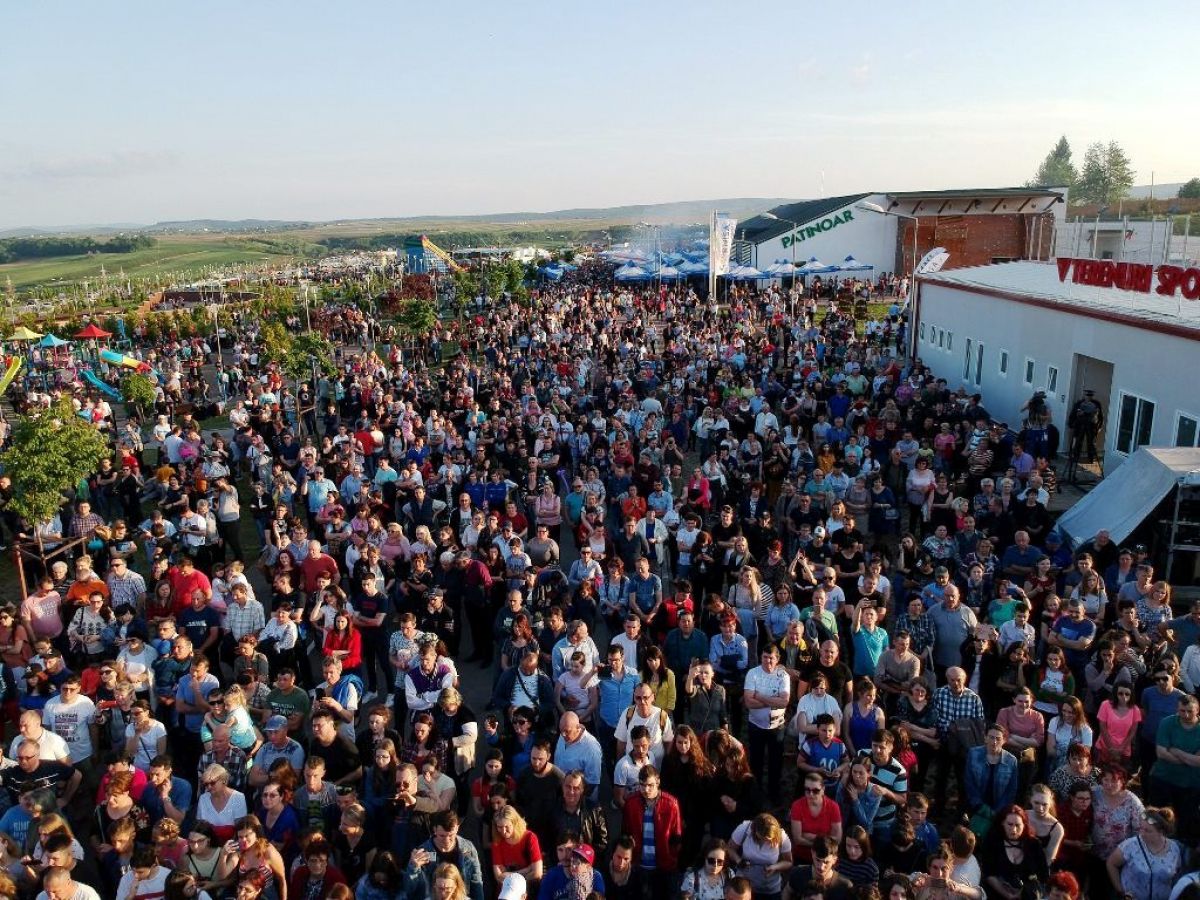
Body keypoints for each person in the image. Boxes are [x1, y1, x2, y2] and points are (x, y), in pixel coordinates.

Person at [620, 764, 683, 896]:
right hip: (638, 865)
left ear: (658, 782)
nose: (646, 789)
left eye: (650, 785)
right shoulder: (631, 803)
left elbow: (676, 837)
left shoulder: (671, 804)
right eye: (642, 785)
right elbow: (625, 833)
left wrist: (671, 858)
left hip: (663, 866)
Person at [1106, 807, 1182, 900]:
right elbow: (1111, 863)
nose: (1142, 833)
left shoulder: (1174, 848)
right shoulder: (1131, 845)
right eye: (1141, 828)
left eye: (1148, 831)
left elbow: (1176, 875)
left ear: (1161, 832)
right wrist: (1121, 891)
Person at [982, 806, 1049, 900]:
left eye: (1018, 825)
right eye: (1010, 824)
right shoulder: (993, 843)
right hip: (997, 895)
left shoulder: (1034, 844)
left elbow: (1043, 875)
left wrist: (1026, 891)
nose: (1014, 830)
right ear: (1002, 823)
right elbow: (989, 874)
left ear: (1024, 825)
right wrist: (1008, 895)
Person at [727, 812, 793, 900]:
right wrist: (739, 860)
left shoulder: (782, 837)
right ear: (754, 830)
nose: (764, 841)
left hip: (770, 888)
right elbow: (729, 849)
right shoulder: (744, 829)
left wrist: (774, 867)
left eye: (768, 839)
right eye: (761, 838)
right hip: (744, 888)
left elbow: (788, 862)